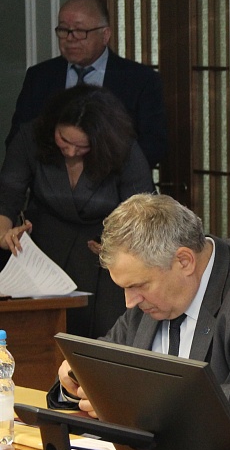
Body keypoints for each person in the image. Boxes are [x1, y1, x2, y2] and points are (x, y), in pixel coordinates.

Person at [46, 193, 230, 442]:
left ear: (184, 261)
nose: (129, 302)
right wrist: (76, 380)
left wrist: (141, 399)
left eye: (138, 286)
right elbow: (107, 369)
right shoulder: (152, 299)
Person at [0, 85, 154, 338]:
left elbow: (144, 210)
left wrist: (122, 245)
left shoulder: (122, 147)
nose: (71, 152)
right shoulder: (31, 137)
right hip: (43, 250)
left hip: (105, 252)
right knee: (40, 334)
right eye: (64, 140)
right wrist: (4, 235)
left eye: (81, 146)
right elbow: (7, 197)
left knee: (105, 334)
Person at [6, 0, 168, 168]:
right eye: (64, 30)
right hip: (50, 180)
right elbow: (18, 141)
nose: (70, 38)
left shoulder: (140, 79)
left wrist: (104, 172)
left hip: (115, 180)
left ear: (105, 35)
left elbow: (154, 144)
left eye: (80, 31)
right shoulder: (40, 76)